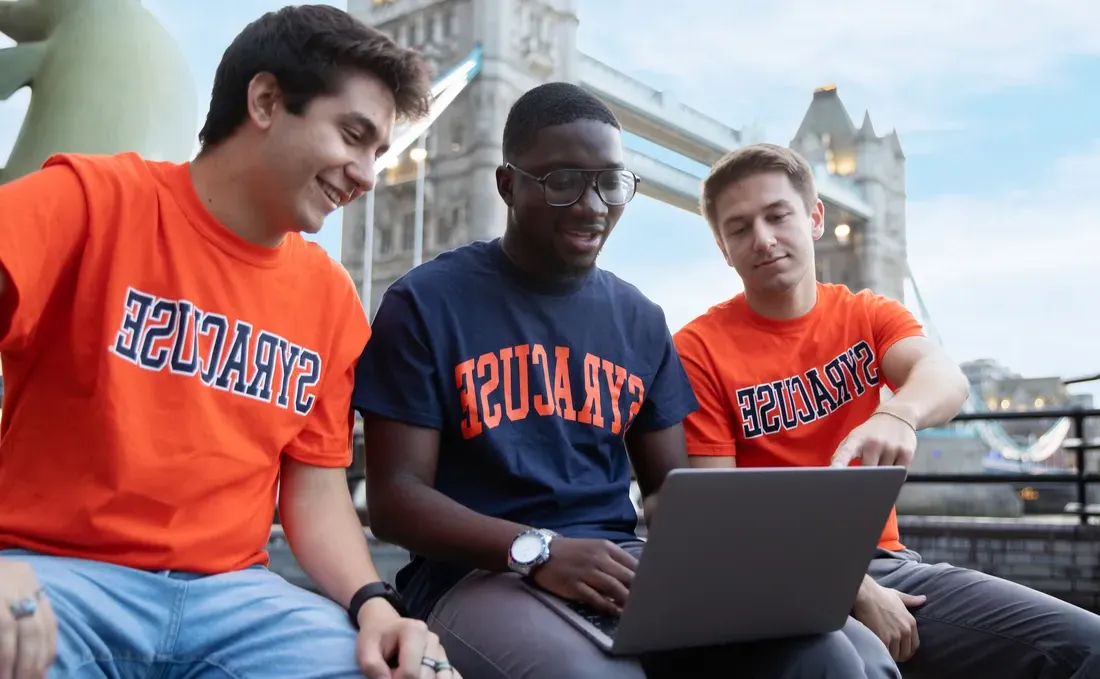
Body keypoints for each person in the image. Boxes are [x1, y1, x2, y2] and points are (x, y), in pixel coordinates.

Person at [352, 82, 900, 679]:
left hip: (621, 565)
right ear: (508, 185)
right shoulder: (426, 303)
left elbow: (671, 493)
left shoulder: (638, 319)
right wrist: (539, 550)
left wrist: (785, 568)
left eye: (611, 182)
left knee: (832, 658)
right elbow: (395, 500)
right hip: (475, 575)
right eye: (563, 182)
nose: (592, 205)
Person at [0, 6, 461, 679]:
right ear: (267, 100)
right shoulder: (92, 201)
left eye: (378, 153)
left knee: (416, 675)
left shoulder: (330, 298)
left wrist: (374, 603)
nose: (366, 174)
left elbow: (314, 487)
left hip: (234, 601)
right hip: (57, 575)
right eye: (354, 135)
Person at [674, 142, 1100, 679]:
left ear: (815, 218)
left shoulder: (867, 314)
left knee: (1087, 646)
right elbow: (719, 516)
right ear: (723, 248)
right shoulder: (696, 351)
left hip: (884, 563)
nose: (763, 239)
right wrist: (848, 588)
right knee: (857, 667)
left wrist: (897, 414)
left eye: (777, 215)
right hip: (767, 579)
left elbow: (944, 377)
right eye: (739, 229)